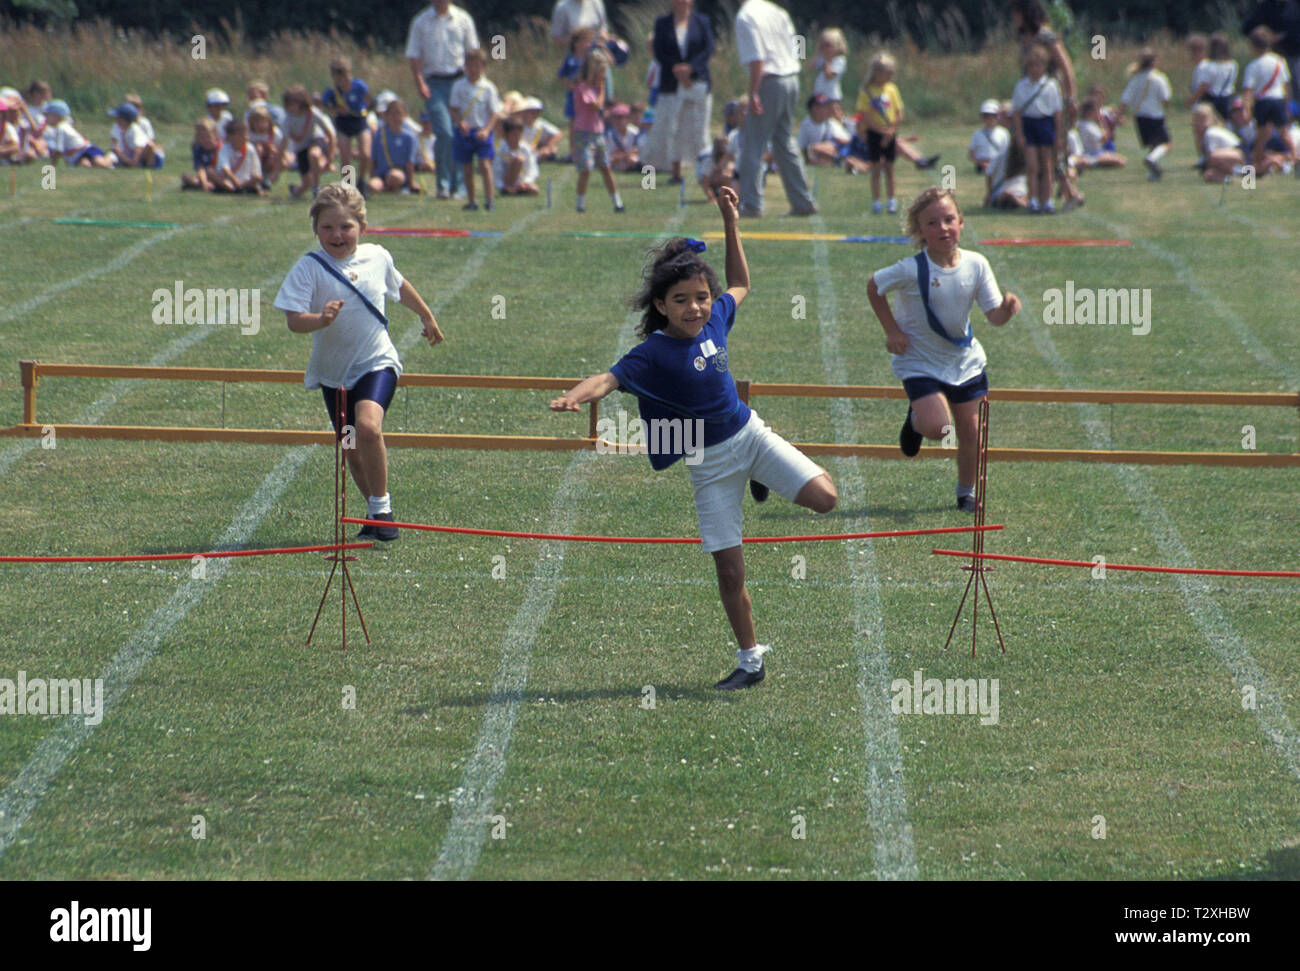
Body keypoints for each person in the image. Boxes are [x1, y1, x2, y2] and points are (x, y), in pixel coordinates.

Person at [549, 186, 837, 690]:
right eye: (681, 301)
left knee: (827, 498)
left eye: (701, 298)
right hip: (708, 463)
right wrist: (576, 396)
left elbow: (742, 282)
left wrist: (731, 220)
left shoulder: (718, 318)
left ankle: (762, 475)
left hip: (749, 435)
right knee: (729, 572)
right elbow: (606, 380)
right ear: (661, 305)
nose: (695, 308)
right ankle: (751, 662)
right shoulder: (651, 353)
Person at [275, 183, 444, 543]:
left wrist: (426, 317)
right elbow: (293, 320)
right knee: (350, 443)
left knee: (367, 427)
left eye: (346, 227)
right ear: (315, 230)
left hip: (375, 361)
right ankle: (373, 514)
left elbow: (399, 287)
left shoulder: (377, 257)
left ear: (362, 228)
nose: (337, 235)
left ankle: (383, 507)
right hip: (332, 372)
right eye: (328, 228)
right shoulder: (308, 268)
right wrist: (320, 320)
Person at [866, 187, 1020, 512]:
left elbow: (994, 317)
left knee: (971, 434)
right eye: (932, 223)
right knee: (939, 428)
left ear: (961, 223)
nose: (943, 228)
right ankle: (916, 420)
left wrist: (1007, 308)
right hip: (919, 361)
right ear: (920, 231)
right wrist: (892, 330)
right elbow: (874, 286)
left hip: (965, 362)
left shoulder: (977, 264)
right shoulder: (911, 269)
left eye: (949, 219)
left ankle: (965, 493)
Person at [734, 0, 817, 217]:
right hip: (791, 78)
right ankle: (803, 202)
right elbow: (795, 49)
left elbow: (757, 59)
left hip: (769, 81)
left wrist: (753, 92)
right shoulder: (776, 11)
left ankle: (751, 205)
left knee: (753, 144)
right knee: (784, 142)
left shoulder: (745, 16)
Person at [406, 0, 480, 199]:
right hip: (434, 83)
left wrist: (472, 81)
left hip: (458, 81)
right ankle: (443, 185)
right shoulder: (421, 21)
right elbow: (414, 55)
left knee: (460, 132)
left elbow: (472, 52)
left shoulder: (463, 19)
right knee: (444, 132)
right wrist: (419, 82)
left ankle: (460, 185)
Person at [643, 0, 714, 186]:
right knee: (670, 127)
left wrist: (690, 69)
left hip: (697, 81)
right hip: (671, 82)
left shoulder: (702, 22)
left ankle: (705, 173)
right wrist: (677, 69)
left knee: (698, 129)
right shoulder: (662, 23)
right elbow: (659, 51)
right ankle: (673, 172)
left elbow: (708, 49)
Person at [571, 46, 625, 213]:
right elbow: (596, 106)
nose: (603, 77)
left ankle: (617, 202)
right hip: (584, 133)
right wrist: (601, 91)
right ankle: (580, 204)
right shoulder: (583, 88)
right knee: (586, 169)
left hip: (597, 132)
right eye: (601, 73)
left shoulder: (594, 89)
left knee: (606, 167)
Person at [1012, 43, 1064, 212]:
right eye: (1031, 65)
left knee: (1047, 164)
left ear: (1045, 66)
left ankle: (1047, 200)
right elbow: (1017, 112)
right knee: (1032, 166)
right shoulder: (1021, 86)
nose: (1035, 69)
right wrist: (1019, 134)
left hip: (1045, 124)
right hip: (1029, 124)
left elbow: (1057, 112)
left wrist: (1058, 135)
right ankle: (1032, 199)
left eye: (1038, 65)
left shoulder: (1051, 85)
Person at [449, 47, 503, 211]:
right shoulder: (459, 85)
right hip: (465, 132)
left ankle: (489, 200)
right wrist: (460, 122)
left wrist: (487, 130)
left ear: (483, 67)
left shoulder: (488, 88)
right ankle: (472, 200)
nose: (473, 70)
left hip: (482, 131)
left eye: (477, 66)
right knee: (467, 168)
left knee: (485, 165)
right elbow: (453, 108)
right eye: (470, 66)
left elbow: (495, 113)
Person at [1241, 25, 1296, 174]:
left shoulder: (1252, 66)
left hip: (1263, 102)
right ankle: (1297, 159)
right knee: (1285, 134)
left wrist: (1246, 109)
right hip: (1278, 100)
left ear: (1252, 45)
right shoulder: (1279, 61)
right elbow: (1287, 87)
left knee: (1261, 137)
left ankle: (1253, 169)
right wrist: (1287, 106)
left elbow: (1247, 91)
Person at [1117, 47, 1172, 179]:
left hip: (1140, 116)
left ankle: (1153, 173)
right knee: (1166, 144)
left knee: (1153, 144)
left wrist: (1119, 114)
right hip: (1155, 115)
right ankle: (1152, 160)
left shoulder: (1136, 78)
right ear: (1154, 62)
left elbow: (1126, 99)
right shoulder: (1159, 78)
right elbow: (1166, 99)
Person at [321, 56, 373, 194]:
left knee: (366, 154)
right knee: (345, 156)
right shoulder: (332, 91)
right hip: (343, 123)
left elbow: (368, 100)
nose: (343, 81)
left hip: (359, 120)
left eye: (345, 76)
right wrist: (337, 110)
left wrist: (364, 110)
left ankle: (362, 181)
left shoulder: (359, 86)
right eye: (339, 78)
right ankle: (348, 186)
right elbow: (324, 105)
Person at [282, 85, 337, 200]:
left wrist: (330, 157)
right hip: (300, 148)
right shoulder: (288, 119)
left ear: (302, 102)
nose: (291, 107)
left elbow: (330, 134)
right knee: (306, 182)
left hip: (315, 140)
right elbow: (284, 141)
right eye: (289, 104)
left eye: (293, 103)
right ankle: (295, 190)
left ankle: (316, 188)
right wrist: (279, 163)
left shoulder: (312, 113)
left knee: (314, 155)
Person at [41, 100, 112, 168]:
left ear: (56, 116)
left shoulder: (61, 128)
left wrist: (52, 165)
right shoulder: (56, 128)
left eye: (47, 115)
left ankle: (112, 156)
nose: (45, 118)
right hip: (76, 156)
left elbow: (59, 151)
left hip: (86, 149)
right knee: (85, 166)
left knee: (100, 164)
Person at [370, 98, 420, 194]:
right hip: (382, 175)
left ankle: (399, 188)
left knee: (395, 176)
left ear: (404, 115)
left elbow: (410, 162)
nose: (395, 117)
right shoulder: (380, 135)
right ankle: (386, 188)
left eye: (398, 113)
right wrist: (373, 177)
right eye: (392, 114)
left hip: (399, 174)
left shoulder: (409, 137)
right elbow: (373, 160)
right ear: (387, 116)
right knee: (373, 186)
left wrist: (411, 182)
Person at [1188, 32, 1238, 124]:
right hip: (1226, 100)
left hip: (1210, 100)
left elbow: (1204, 86)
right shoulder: (1233, 65)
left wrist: (1191, 100)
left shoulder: (1207, 65)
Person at [1191, 103, 1248, 181]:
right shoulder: (1204, 135)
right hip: (1230, 157)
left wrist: (1203, 166)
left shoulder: (1211, 132)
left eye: (1202, 120)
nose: (1198, 123)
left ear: (1211, 120)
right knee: (1209, 174)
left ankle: (1242, 172)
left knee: (1212, 157)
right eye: (1196, 120)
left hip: (1241, 154)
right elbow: (1202, 155)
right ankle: (1231, 179)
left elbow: (1210, 157)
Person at [797, 93, 855, 168]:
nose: (827, 109)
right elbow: (803, 146)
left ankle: (839, 159)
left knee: (813, 148)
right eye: (824, 106)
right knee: (812, 152)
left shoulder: (831, 123)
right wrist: (807, 160)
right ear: (814, 109)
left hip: (835, 151)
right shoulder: (806, 124)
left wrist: (836, 143)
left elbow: (848, 140)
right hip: (818, 154)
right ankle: (837, 162)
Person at [212, 118, 263, 193]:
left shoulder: (250, 149)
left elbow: (256, 171)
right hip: (229, 180)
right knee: (210, 172)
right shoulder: (224, 149)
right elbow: (225, 169)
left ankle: (239, 188)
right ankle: (233, 188)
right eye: (241, 135)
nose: (245, 137)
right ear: (230, 136)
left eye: (246, 134)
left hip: (245, 181)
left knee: (258, 177)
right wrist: (235, 181)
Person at [495, 118, 540, 195]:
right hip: (507, 181)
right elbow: (496, 174)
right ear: (506, 135)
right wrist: (502, 186)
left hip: (522, 180)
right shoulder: (500, 151)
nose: (517, 137)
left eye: (519, 134)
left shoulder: (526, 149)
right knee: (519, 159)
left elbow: (533, 170)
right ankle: (509, 189)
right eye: (514, 134)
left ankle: (519, 189)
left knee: (535, 190)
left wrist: (525, 182)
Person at [811, 27, 848, 111]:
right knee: (821, 115)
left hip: (832, 96)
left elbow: (829, 76)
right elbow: (811, 67)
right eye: (822, 46)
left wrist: (827, 60)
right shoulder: (822, 58)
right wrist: (818, 53)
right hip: (819, 93)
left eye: (827, 45)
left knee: (833, 116)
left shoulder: (840, 60)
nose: (825, 49)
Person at [969, 99, 1009, 173]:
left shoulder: (1004, 133)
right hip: (981, 166)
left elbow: (1007, 153)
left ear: (997, 117)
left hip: (999, 165)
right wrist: (982, 163)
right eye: (986, 116)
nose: (989, 119)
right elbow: (971, 155)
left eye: (992, 116)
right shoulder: (977, 134)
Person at [181, 117, 222, 189]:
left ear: (215, 135)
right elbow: (200, 168)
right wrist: (204, 182)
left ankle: (213, 185)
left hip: (219, 175)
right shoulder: (199, 149)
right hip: (205, 175)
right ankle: (208, 185)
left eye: (208, 137)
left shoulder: (221, 147)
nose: (205, 140)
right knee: (186, 176)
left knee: (209, 172)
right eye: (202, 138)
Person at [604, 102, 641, 171]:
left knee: (633, 159)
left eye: (622, 117)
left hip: (630, 158)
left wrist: (626, 154)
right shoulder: (609, 134)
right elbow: (609, 154)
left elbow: (638, 150)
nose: (619, 121)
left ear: (628, 118)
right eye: (616, 118)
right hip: (617, 160)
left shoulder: (635, 132)